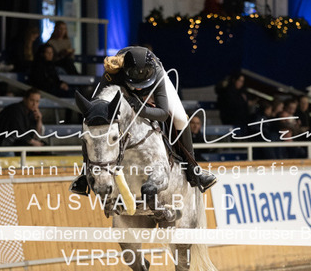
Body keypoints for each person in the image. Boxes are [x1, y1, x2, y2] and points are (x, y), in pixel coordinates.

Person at [69, 46, 216, 195]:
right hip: (123, 84)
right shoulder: (113, 73)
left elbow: (163, 113)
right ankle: (85, 173)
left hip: (151, 87)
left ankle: (193, 169)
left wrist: (141, 108)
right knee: (91, 120)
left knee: (180, 118)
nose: (138, 89)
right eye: (135, 85)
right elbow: (95, 109)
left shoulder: (157, 73)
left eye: (141, 86)